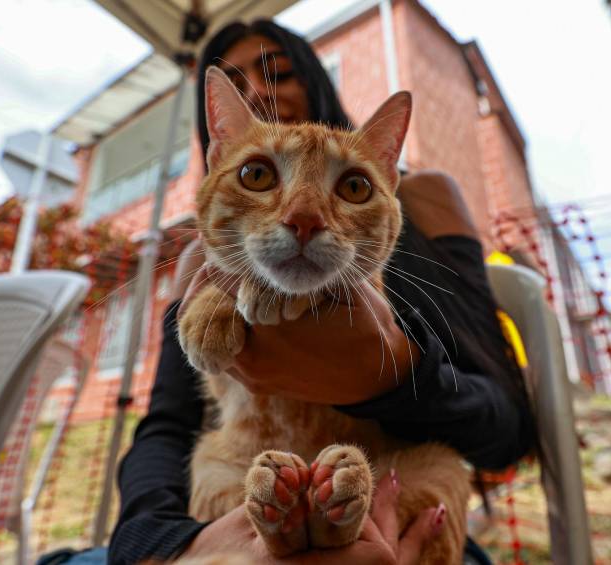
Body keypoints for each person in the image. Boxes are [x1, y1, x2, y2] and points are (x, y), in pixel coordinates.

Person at [101, 19, 534, 565]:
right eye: (258, 174)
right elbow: (166, 427)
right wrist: (161, 549)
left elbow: (505, 426)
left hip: (397, 503)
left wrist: (390, 372)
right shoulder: (199, 260)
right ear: (218, 151)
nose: (303, 218)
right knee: (203, 466)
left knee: (441, 474)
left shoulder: (427, 199)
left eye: (278, 74)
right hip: (228, 528)